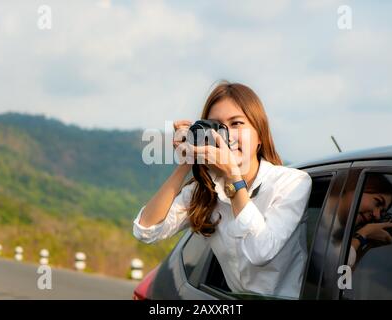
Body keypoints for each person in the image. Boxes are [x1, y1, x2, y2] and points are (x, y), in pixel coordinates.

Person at [133, 81, 312, 298]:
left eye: (236, 124)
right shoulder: (206, 191)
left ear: (259, 136)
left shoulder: (291, 183)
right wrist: (188, 160)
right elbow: (146, 230)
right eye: (216, 126)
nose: (226, 135)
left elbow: (260, 251)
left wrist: (233, 177)